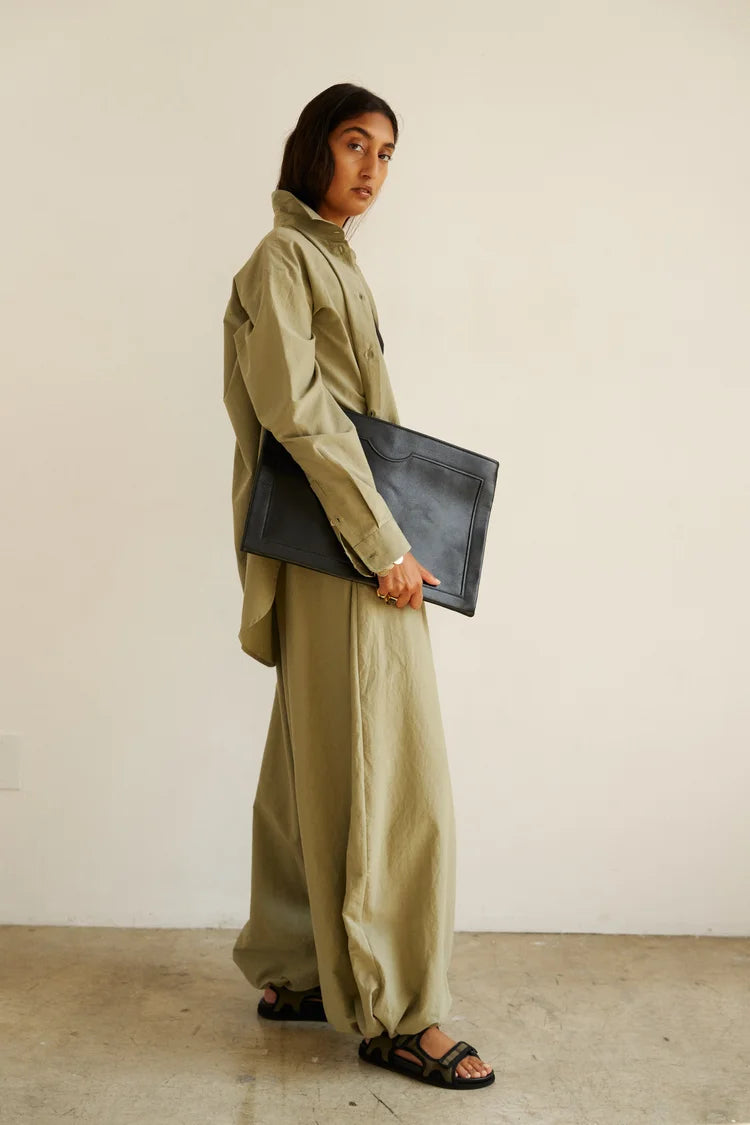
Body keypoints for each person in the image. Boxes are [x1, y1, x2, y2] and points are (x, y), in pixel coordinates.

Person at [222, 82, 494, 1090]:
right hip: (344, 549)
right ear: (312, 149)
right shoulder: (285, 259)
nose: (372, 168)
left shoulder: (328, 257)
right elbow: (299, 414)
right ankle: (398, 1012)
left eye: (386, 152)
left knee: (317, 751)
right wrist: (385, 543)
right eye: (353, 144)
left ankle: (297, 969)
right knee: (391, 770)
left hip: (327, 547)